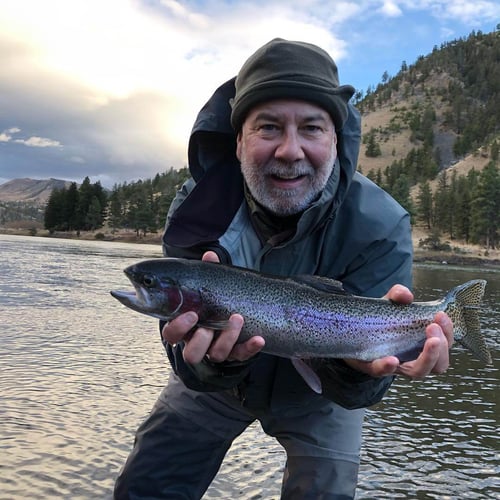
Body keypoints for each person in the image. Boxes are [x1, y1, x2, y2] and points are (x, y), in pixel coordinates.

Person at [114, 38, 453, 499]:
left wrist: (359, 369)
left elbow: (361, 390)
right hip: (216, 386)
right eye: (268, 127)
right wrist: (209, 368)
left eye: (312, 128)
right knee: (147, 485)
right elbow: (182, 350)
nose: (290, 150)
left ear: (335, 139)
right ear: (239, 141)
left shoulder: (381, 223)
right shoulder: (199, 207)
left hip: (322, 397)